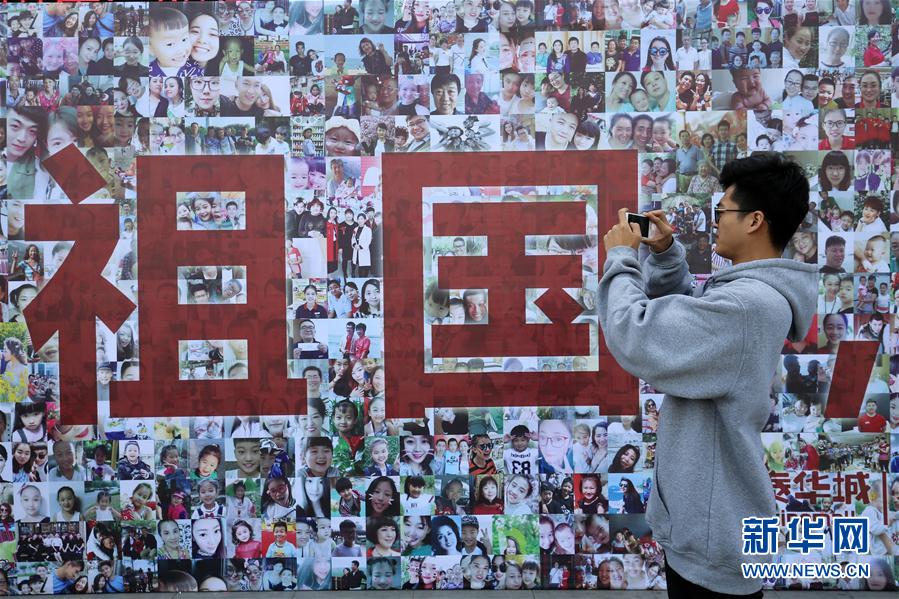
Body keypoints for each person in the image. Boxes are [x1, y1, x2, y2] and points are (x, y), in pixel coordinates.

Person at [597, 153, 817, 597]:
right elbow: (689, 327)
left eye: (722, 211)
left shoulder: (745, 306)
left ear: (754, 220)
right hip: (714, 526)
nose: (714, 220)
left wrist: (621, 256)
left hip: (714, 542)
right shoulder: (748, 295)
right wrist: (665, 254)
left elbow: (637, 335)